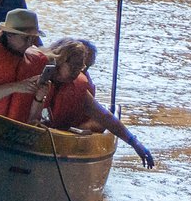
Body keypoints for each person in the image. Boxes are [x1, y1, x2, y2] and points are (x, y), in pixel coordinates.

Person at [34, 38, 154, 167]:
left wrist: (135, 143)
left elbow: (105, 117)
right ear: (60, 60)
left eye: (81, 67)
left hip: (60, 136)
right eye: (74, 66)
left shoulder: (77, 88)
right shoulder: (34, 75)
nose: (77, 72)